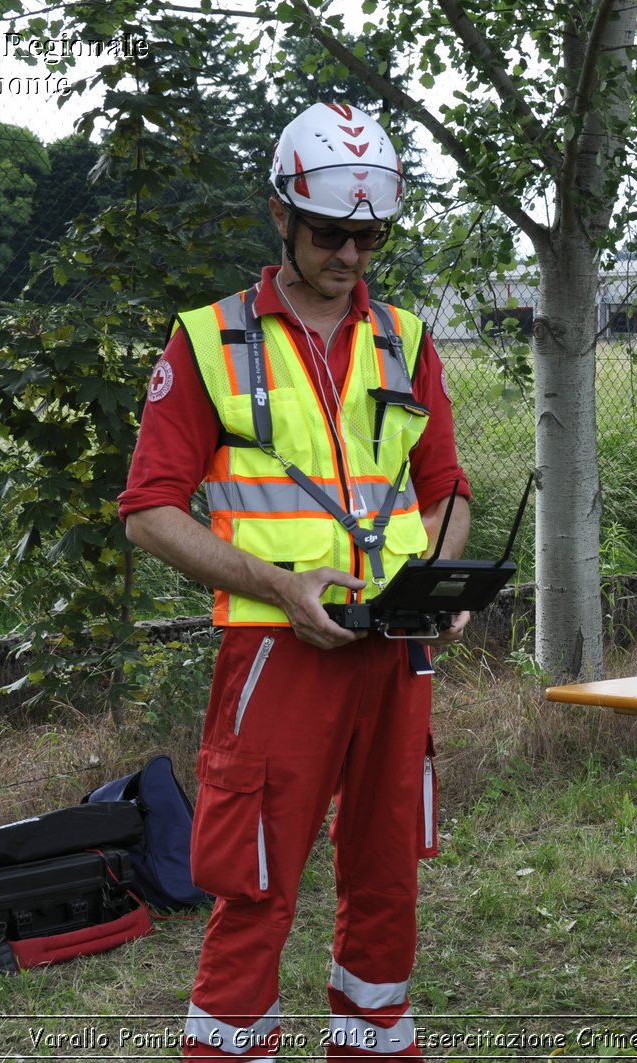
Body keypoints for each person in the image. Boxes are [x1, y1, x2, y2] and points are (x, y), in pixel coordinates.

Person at [119, 102, 471, 1060]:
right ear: (280, 213)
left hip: (396, 654)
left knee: (388, 872)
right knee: (258, 881)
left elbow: (446, 492)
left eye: (370, 235)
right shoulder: (208, 340)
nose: (351, 254)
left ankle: (376, 1043)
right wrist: (279, 585)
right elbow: (150, 509)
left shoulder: (407, 338)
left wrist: (438, 583)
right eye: (329, 233)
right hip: (275, 650)